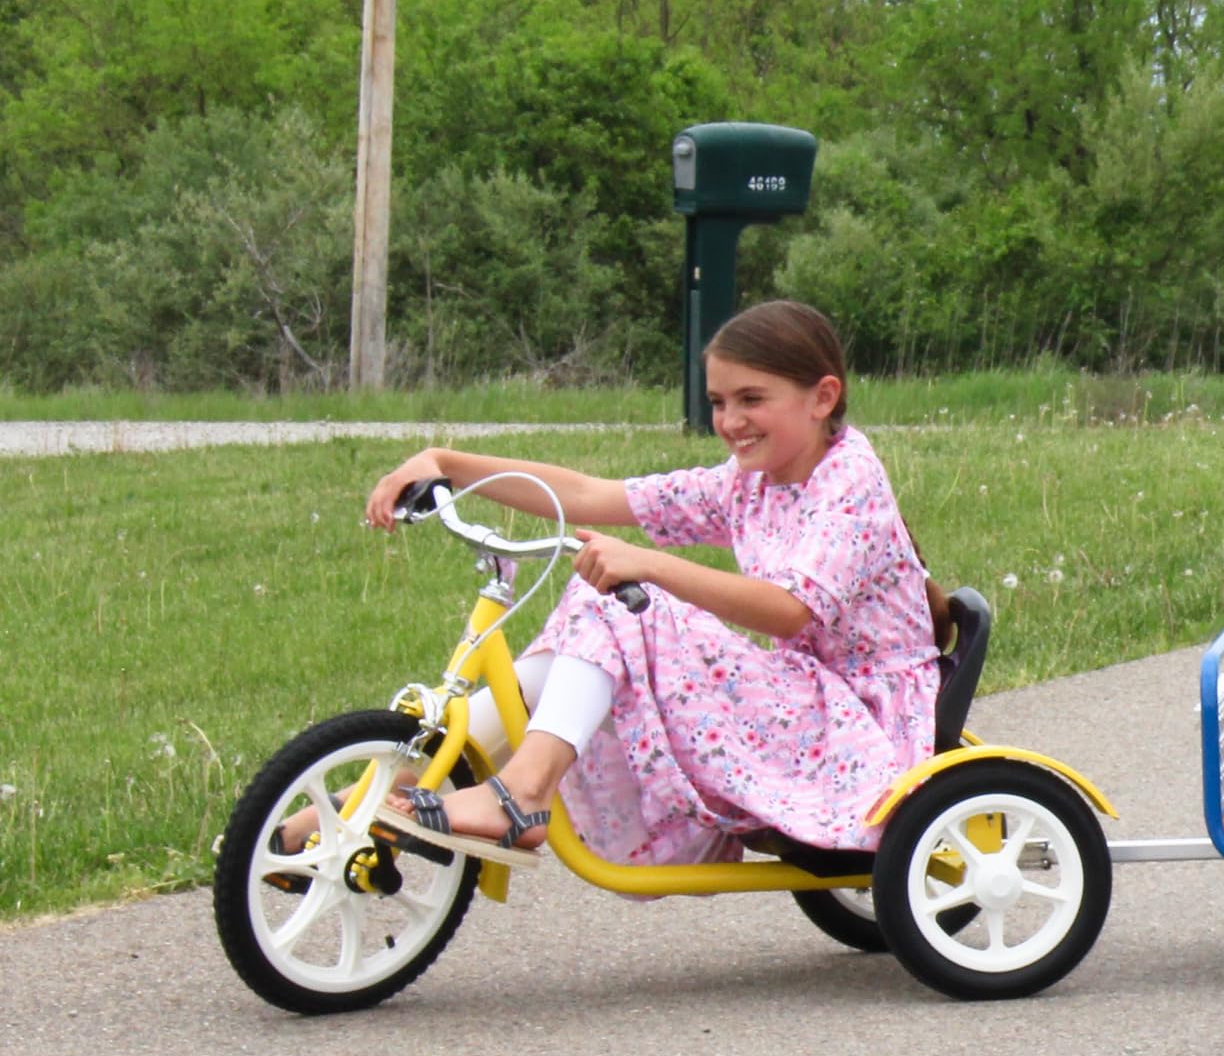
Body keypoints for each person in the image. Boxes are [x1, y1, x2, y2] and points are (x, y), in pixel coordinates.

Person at [340, 300, 941, 869]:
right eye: (718, 402)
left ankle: (521, 793)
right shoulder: (749, 483)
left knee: (618, 607)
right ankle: (382, 790)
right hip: (802, 702)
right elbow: (586, 496)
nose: (730, 421)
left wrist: (648, 565)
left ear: (822, 397)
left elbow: (787, 610)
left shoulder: (849, 480)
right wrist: (447, 463)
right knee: (584, 637)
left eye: (752, 399)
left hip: (858, 727)